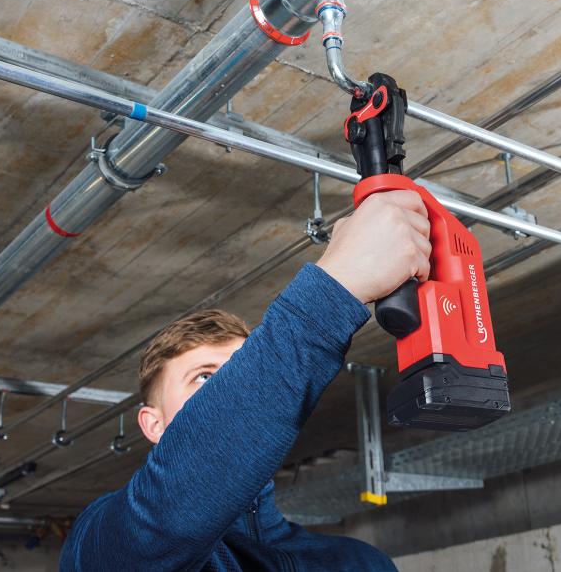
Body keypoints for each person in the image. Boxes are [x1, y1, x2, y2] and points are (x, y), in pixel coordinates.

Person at [60, 190, 432, 571]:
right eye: (204, 377)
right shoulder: (100, 543)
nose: (230, 388)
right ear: (152, 424)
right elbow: (162, 522)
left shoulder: (359, 563)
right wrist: (336, 288)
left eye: (239, 368)